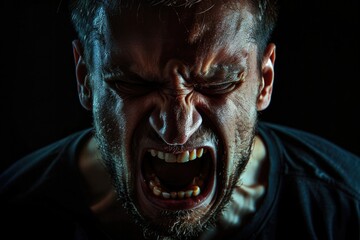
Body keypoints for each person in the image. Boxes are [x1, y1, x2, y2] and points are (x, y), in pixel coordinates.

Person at [1, 0, 359, 239]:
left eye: (217, 82)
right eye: (134, 82)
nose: (177, 128)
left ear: (264, 81)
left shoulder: (346, 212)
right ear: (84, 78)